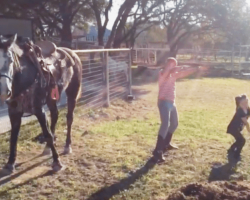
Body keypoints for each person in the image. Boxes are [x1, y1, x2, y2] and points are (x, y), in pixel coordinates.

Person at [153, 57, 208, 162]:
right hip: (163, 102)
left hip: (171, 103)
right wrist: (172, 69)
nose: (172, 66)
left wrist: (196, 69)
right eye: (170, 64)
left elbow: (185, 73)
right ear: (166, 64)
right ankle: (158, 151)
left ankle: (166, 144)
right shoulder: (161, 73)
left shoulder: (174, 75)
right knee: (165, 124)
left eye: (174, 64)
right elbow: (166, 73)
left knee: (174, 124)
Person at [227, 94, 250, 158]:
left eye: (246, 102)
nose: (245, 105)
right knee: (242, 140)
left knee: (239, 140)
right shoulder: (240, 111)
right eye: (242, 103)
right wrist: (249, 131)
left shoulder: (248, 109)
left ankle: (231, 149)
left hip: (238, 128)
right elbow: (246, 122)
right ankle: (237, 153)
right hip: (233, 128)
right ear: (239, 104)